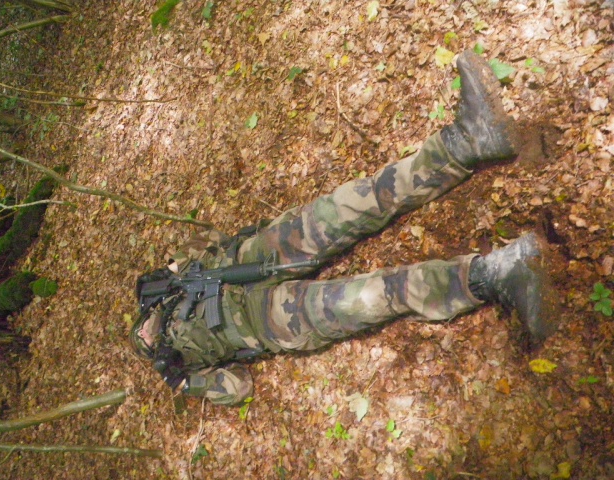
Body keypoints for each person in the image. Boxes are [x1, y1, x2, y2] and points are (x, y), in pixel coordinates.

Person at [130, 50, 557, 406]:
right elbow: (239, 387)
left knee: (357, 203)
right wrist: (187, 384)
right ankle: (495, 275)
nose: (148, 333)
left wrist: (171, 270)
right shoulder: (178, 363)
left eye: (143, 327)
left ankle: (470, 141)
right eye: (146, 341)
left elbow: (208, 240)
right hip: (272, 321)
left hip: (255, 255)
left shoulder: (162, 294)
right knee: (377, 296)